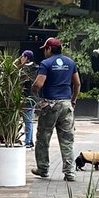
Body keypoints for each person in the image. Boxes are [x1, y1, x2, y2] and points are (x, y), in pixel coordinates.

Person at [31, 37, 81, 182]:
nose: (44, 52)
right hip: (66, 104)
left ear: (49, 49)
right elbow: (77, 84)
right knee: (67, 140)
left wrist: (35, 91)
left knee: (43, 138)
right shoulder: (70, 62)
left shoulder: (46, 63)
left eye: (45, 49)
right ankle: (70, 173)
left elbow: (39, 84)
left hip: (50, 105)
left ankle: (43, 168)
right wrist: (73, 100)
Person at [18, 50, 36, 148]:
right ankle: (29, 140)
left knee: (27, 120)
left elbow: (19, 80)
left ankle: (28, 141)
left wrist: (21, 65)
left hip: (27, 98)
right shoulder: (35, 67)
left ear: (26, 58)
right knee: (29, 120)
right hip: (32, 97)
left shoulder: (26, 69)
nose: (21, 58)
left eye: (22, 56)